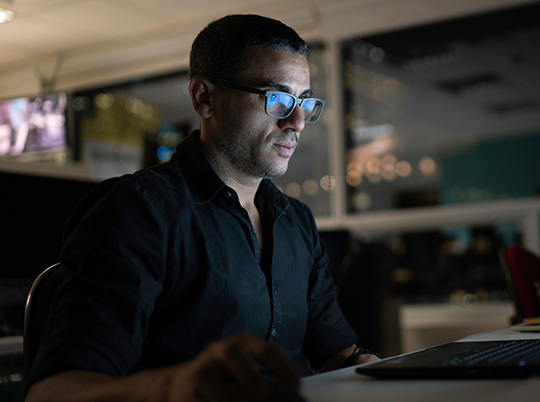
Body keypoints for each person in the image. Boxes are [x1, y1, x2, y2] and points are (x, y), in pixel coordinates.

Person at [25, 14, 379, 402]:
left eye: (304, 101)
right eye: (277, 99)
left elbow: (336, 353)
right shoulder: (136, 211)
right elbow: (52, 392)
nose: (297, 121)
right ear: (204, 98)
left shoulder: (295, 221)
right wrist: (174, 387)